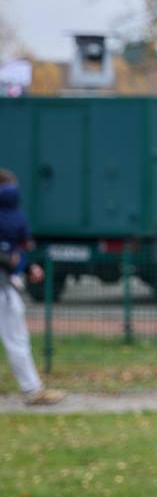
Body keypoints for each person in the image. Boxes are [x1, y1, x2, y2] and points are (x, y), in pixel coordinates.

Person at [0, 170, 64, 406]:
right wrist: (15, 263)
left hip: (6, 283)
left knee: (16, 336)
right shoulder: (14, 215)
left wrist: (22, 266)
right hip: (4, 285)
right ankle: (32, 389)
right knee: (16, 337)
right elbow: (13, 251)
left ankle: (33, 389)